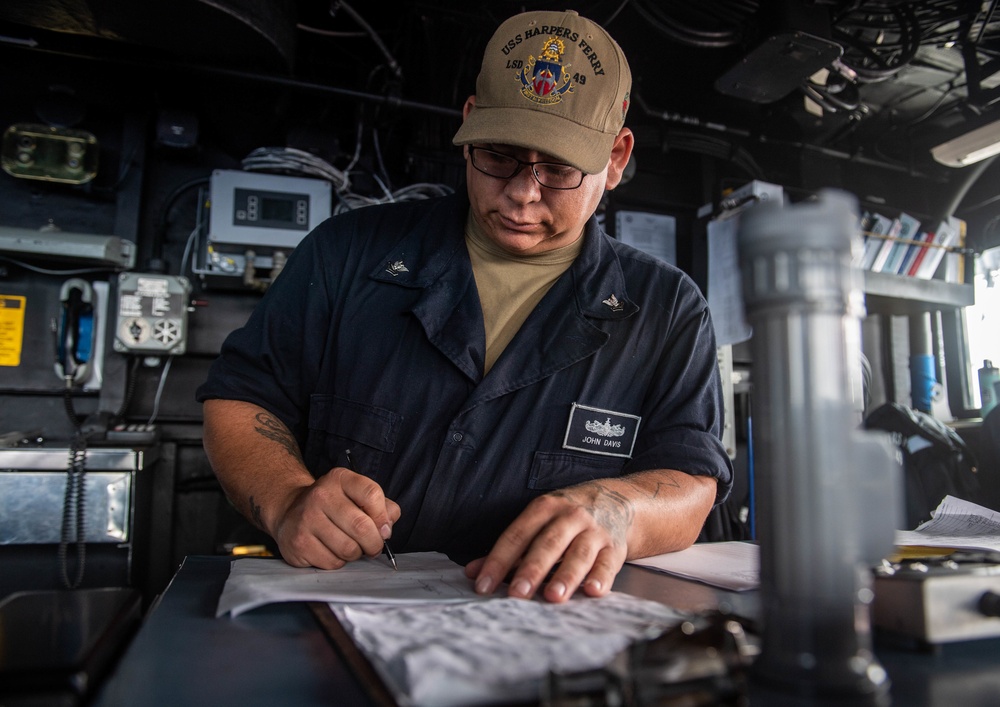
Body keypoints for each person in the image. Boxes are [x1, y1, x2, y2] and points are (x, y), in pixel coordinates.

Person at [197, 8, 733, 604]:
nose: (523, 193)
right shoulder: (344, 255)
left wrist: (619, 509)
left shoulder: (667, 310)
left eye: (558, 169)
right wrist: (286, 498)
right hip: (337, 612)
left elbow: (692, 478)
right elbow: (244, 398)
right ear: (470, 123)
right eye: (500, 156)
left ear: (615, 158)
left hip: (538, 628)